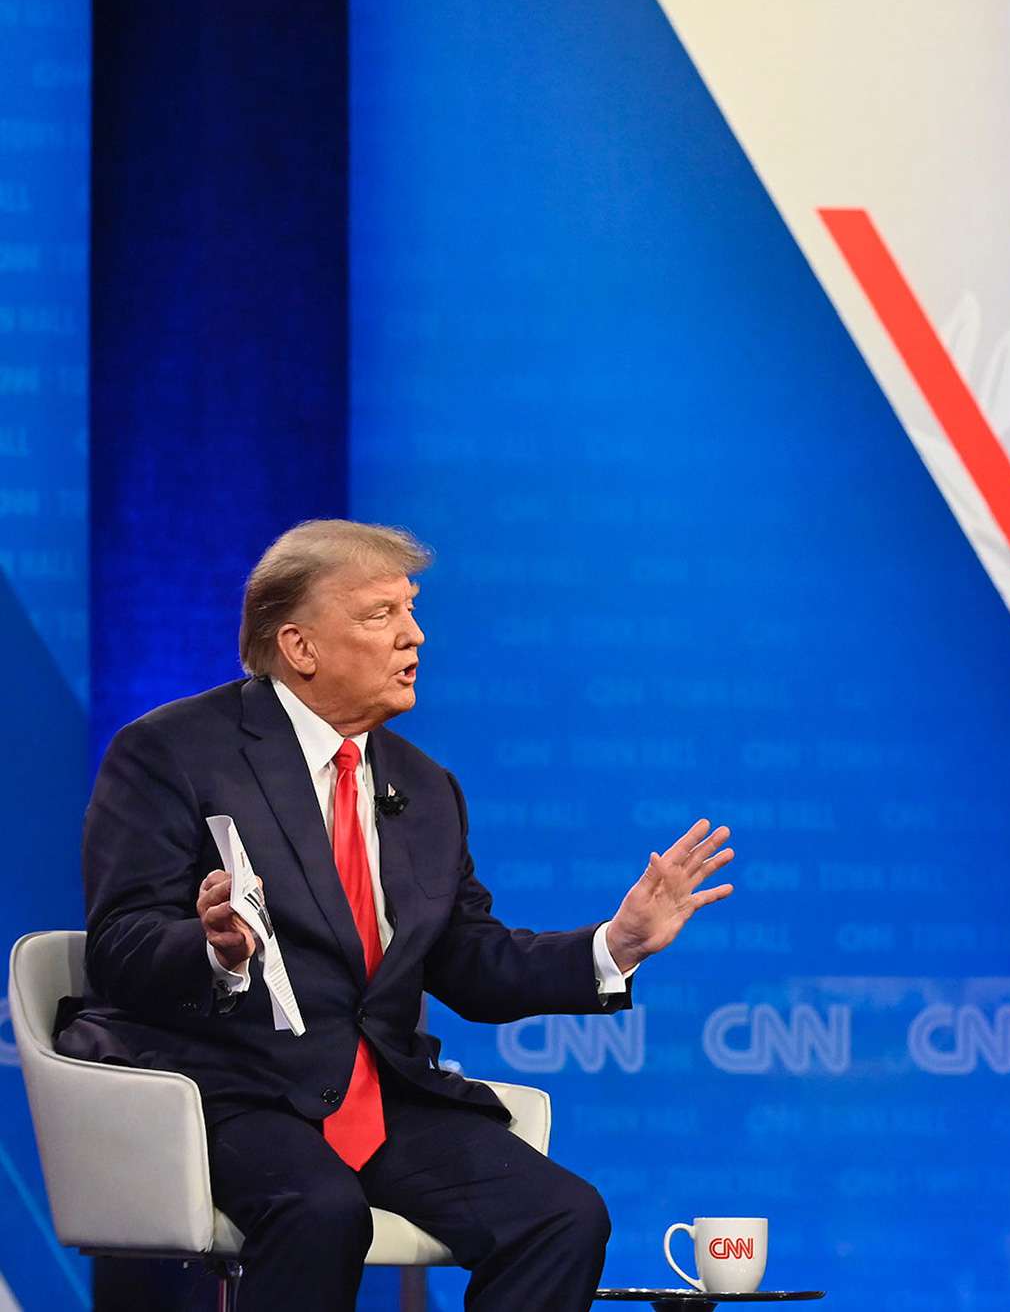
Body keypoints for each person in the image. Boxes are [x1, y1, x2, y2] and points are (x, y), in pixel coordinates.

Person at [56, 519, 736, 1312]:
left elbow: (468, 961)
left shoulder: (426, 787)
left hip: (373, 1100)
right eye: (382, 614)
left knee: (562, 1215)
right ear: (300, 645)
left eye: (411, 610)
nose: (415, 634)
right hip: (226, 1088)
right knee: (321, 1211)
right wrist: (213, 951)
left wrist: (611, 946)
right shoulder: (171, 752)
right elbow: (119, 945)